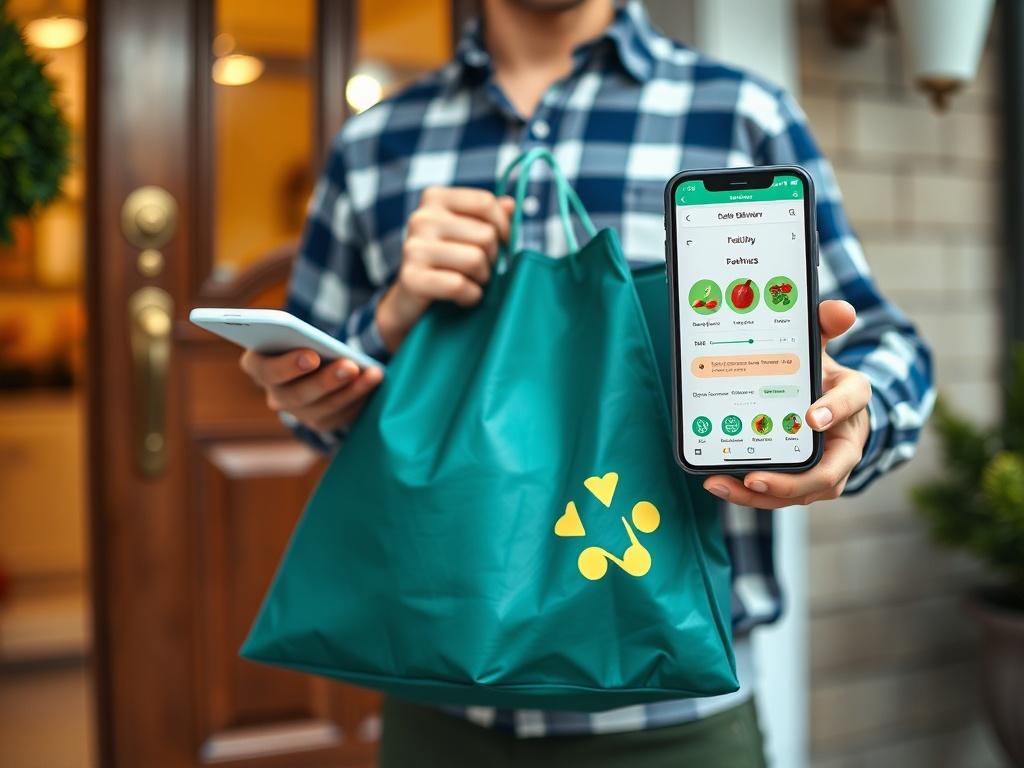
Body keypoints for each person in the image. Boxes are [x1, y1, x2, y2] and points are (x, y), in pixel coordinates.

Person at [240, 1, 934, 765]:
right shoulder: (375, 144)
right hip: (434, 714)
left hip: (675, 723)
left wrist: (854, 419)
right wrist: (391, 320)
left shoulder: (739, 114)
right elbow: (315, 405)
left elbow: (880, 346)